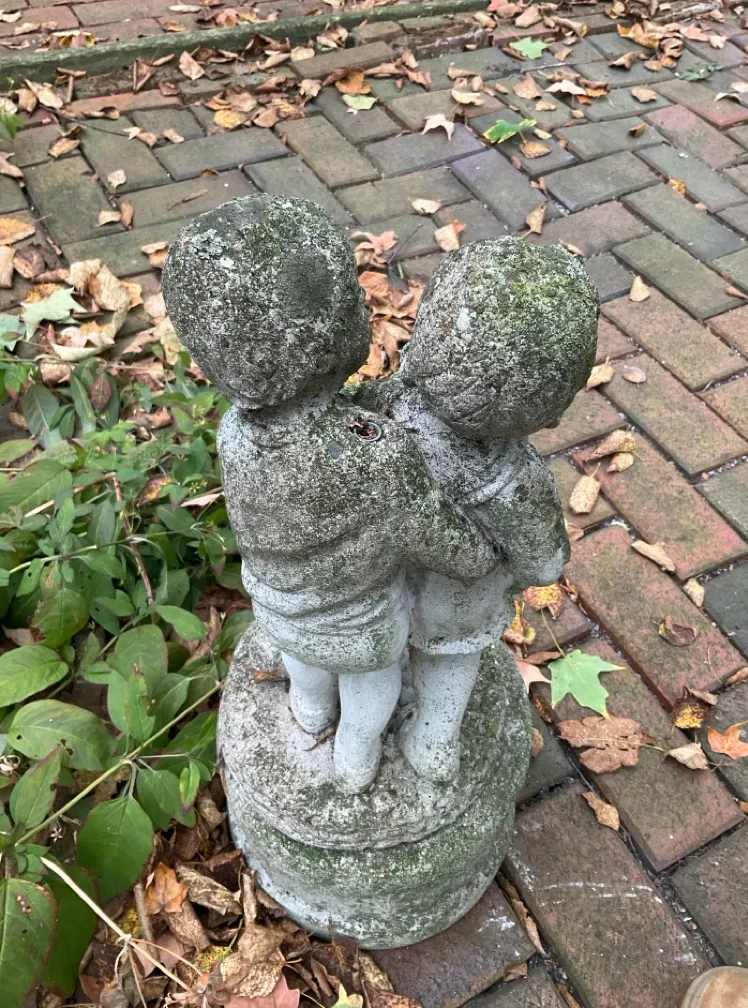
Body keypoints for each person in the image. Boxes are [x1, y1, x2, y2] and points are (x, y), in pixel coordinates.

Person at [161, 194, 499, 795]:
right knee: (373, 690)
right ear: (333, 332)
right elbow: (446, 543)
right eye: (353, 295)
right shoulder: (374, 454)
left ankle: (311, 712)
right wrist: (484, 555)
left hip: (280, 607)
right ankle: (354, 758)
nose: (366, 303)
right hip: (362, 628)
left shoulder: (233, 435)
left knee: (307, 670)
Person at [355, 239, 599, 782]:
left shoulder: (384, 409)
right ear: (552, 405)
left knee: (382, 655)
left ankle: (375, 722)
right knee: (450, 662)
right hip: (461, 601)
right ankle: (436, 740)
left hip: (380, 584)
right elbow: (544, 563)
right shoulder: (516, 478)